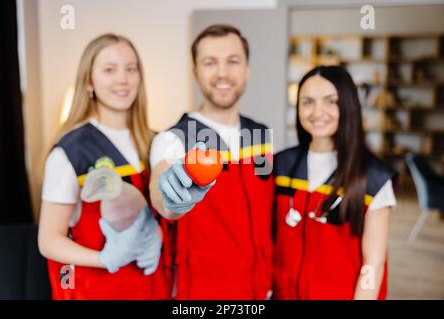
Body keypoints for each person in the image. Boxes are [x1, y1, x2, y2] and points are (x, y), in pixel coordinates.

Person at [38, 33, 169, 300]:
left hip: (152, 288)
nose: (123, 79)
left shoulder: (157, 143)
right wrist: (106, 258)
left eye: (131, 69)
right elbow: (49, 241)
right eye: (110, 70)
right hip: (98, 290)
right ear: (89, 81)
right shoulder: (71, 152)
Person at [149, 25, 274, 299]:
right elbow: (162, 197)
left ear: (247, 69)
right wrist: (171, 197)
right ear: (195, 72)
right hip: (201, 295)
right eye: (210, 63)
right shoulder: (174, 140)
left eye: (233, 61)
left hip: (261, 291)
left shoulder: (261, 135)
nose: (222, 73)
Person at [273, 66, 397, 300]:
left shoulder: (374, 178)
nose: (317, 112)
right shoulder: (280, 166)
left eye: (331, 101)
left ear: (349, 106)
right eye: (307, 102)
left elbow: (373, 264)